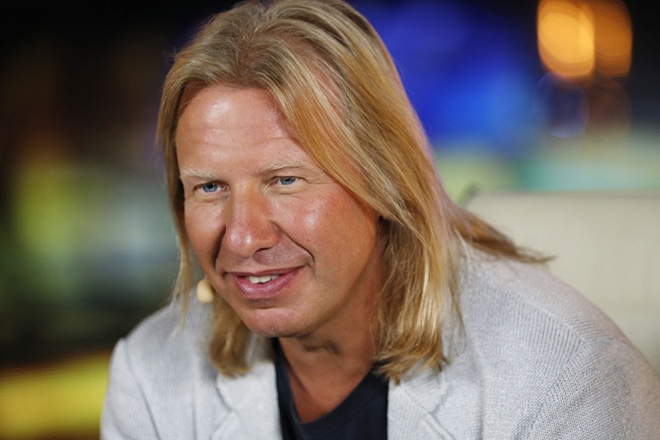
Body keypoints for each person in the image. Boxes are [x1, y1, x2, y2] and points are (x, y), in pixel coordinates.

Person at [101, 0, 660, 438]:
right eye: (209, 187)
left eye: (286, 180)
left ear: (384, 179)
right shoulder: (151, 375)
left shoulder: (564, 377)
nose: (244, 238)